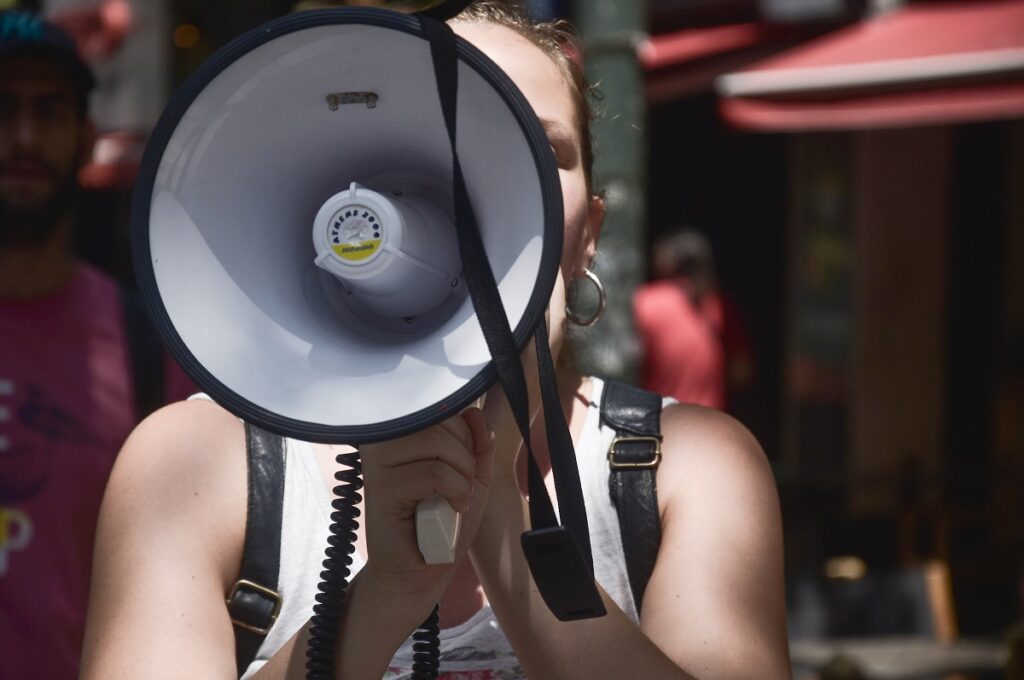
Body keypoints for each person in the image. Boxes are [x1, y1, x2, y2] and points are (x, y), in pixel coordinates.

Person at [80, 3, 791, 679]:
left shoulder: (687, 470)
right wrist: (380, 597)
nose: (488, 187)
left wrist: (505, 525)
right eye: (456, 138)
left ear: (591, 235)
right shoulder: (195, 466)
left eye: (539, 151)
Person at [0, 10, 192, 679]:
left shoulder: (152, 352)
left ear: (84, 139)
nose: (23, 136)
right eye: (3, 109)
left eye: (48, 111)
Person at [634, 228, 753, 410]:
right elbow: (741, 372)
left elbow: (627, 367)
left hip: (658, 422)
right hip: (708, 426)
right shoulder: (719, 306)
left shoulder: (647, 303)